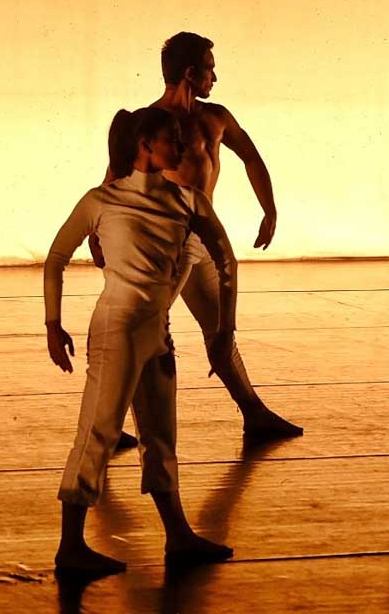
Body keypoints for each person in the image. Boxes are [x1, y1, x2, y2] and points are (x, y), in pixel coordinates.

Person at [46, 107, 236, 577]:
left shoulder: (187, 201)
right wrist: (53, 324)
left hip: (156, 331)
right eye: (173, 139)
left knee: (160, 437)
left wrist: (225, 329)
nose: (185, 147)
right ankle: (70, 547)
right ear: (145, 146)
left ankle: (178, 537)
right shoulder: (103, 200)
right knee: (98, 432)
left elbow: (227, 262)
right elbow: (55, 257)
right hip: (116, 330)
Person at [93, 32, 300, 442]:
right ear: (190, 73)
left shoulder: (215, 117)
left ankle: (254, 413)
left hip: (200, 241)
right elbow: (113, 178)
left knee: (222, 328)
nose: (215, 77)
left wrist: (270, 208)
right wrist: (96, 235)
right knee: (142, 333)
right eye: (209, 68)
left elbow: (252, 156)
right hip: (160, 247)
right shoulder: (145, 124)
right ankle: (109, 426)